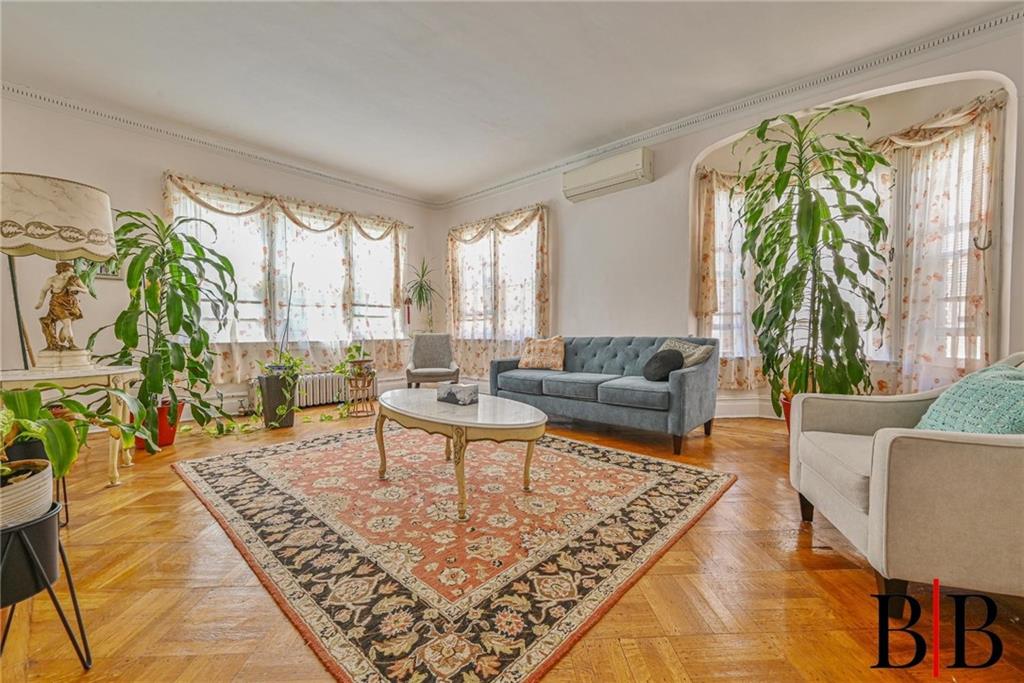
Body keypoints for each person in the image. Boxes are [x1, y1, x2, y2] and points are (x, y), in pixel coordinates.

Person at [36, 262, 87, 350]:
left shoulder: (74, 278)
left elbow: (86, 290)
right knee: (67, 323)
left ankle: (65, 334)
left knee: (68, 323)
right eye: (70, 271)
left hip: (71, 304)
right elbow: (43, 290)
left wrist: (76, 288)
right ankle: (71, 344)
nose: (72, 274)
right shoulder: (52, 280)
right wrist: (40, 302)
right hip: (57, 304)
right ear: (63, 271)